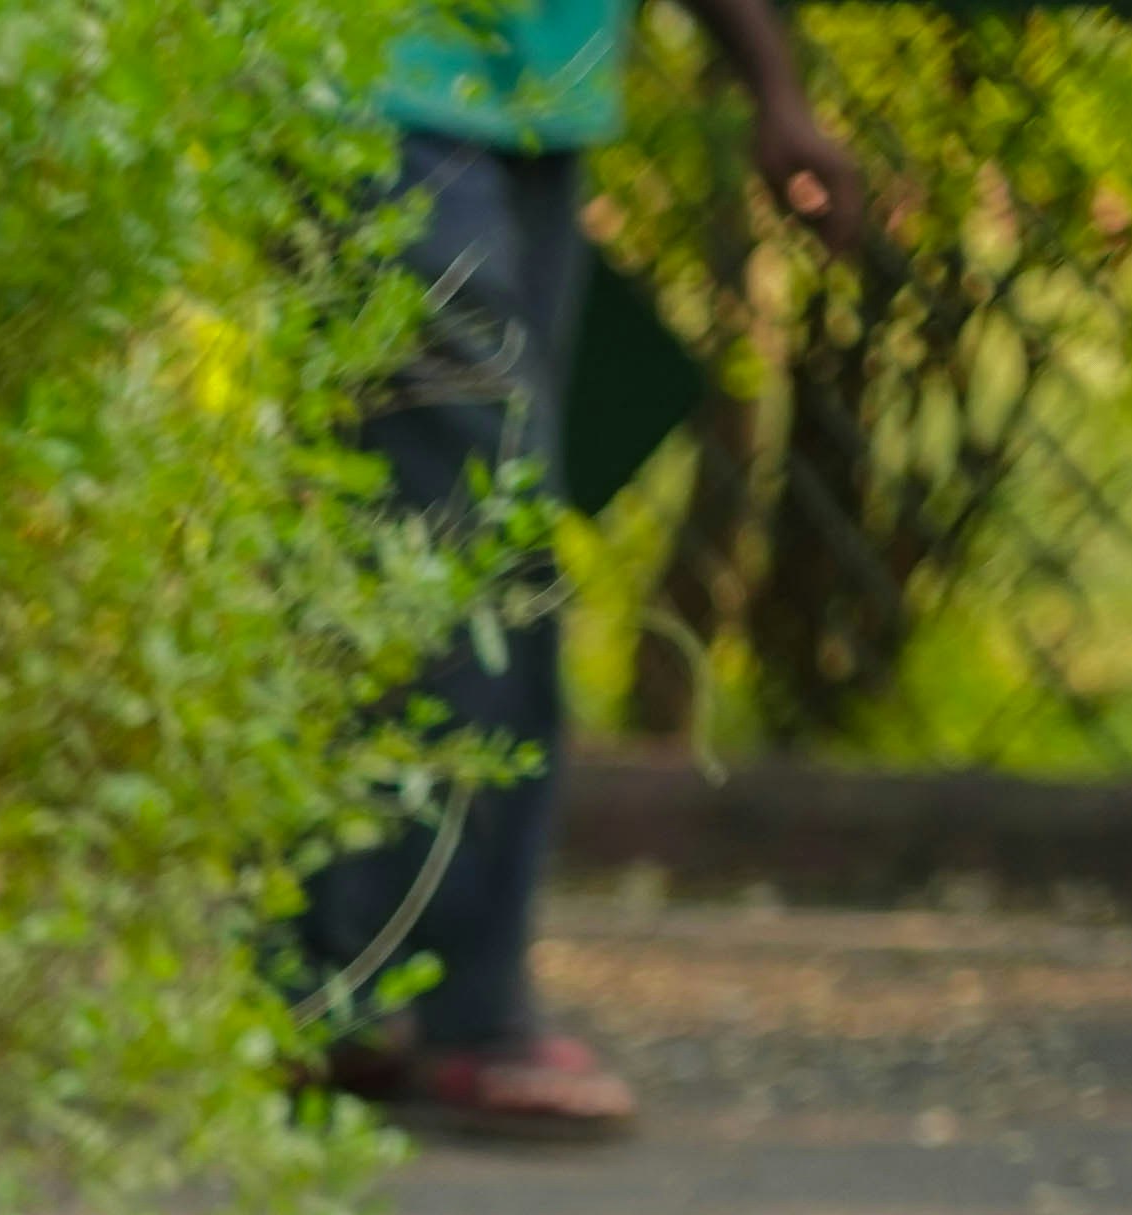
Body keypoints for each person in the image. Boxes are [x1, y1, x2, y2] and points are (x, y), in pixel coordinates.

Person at [310, 0, 869, 1136]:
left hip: (535, 105)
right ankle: (455, 1005)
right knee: (477, 531)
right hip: (365, 82)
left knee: (408, 533)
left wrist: (774, 88)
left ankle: (329, 984)